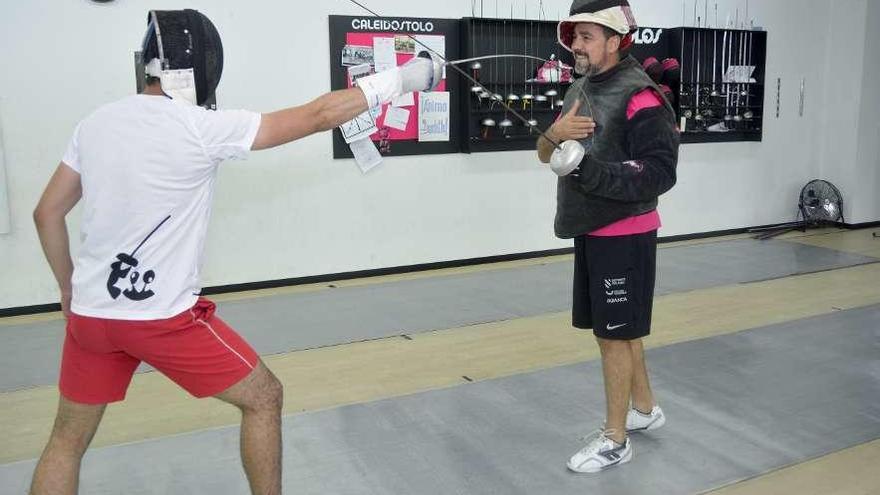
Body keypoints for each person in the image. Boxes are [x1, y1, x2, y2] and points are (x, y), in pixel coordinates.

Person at [30, 9, 441, 494]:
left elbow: (46, 214)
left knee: (66, 439)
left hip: (92, 317)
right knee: (264, 397)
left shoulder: (95, 123)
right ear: (202, 66)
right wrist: (412, 76)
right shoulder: (200, 127)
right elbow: (318, 115)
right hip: (160, 319)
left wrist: (66, 288)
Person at [536, 0, 679, 474]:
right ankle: (643, 410)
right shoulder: (579, 87)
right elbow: (543, 153)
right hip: (590, 227)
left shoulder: (642, 95)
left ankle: (616, 439)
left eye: (588, 36)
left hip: (626, 233)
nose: (576, 44)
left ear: (616, 41)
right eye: (574, 36)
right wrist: (555, 135)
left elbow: (659, 172)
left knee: (614, 336)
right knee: (621, 331)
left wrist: (589, 169)